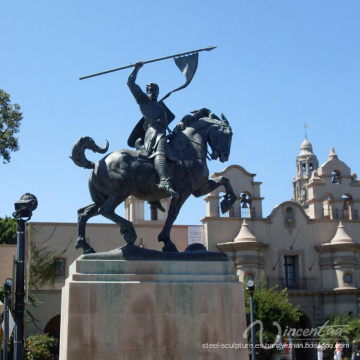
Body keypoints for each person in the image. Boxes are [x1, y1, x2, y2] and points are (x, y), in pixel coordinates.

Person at [127, 61, 178, 199]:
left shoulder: (160, 107)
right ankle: (163, 180)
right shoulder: (144, 101)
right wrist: (136, 69)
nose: (153, 92)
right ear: (147, 91)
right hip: (154, 133)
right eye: (150, 90)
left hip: (163, 131)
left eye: (155, 90)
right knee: (160, 149)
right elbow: (130, 83)